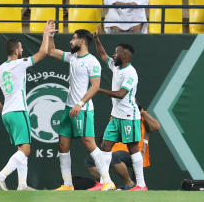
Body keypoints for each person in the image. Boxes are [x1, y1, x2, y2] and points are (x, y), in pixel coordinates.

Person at [0, 21, 54, 191]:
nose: (23, 50)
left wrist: (1, 108)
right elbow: (42, 53)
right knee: (26, 150)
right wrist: (46, 33)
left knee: (20, 148)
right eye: (21, 48)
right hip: (19, 111)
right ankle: (1, 176)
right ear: (16, 50)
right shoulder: (20, 63)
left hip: (7, 114)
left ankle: (22, 185)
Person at [47, 29, 115, 191]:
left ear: (82, 41)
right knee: (63, 145)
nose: (71, 41)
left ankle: (107, 181)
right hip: (68, 109)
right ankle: (68, 185)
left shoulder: (92, 62)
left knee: (89, 143)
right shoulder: (72, 57)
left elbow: (96, 86)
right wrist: (50, 35)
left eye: (73, 38)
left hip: (83, 109)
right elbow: (50, 51)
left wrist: (80, 103)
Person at [93, 25, 147, 191]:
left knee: (132, 148)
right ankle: (106, 182)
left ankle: (141, 185)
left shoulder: (130, 73)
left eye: (116, 52)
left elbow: (121, 94)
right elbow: (102, 55)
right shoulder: (116, 66)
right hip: (115, 116)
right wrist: (96, 39)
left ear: (124, 55)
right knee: (105, 145)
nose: (113, 55)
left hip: (129, 116)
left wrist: (98, 89)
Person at [85, 105, 160, 190]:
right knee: (91, 160)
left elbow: (156, 127)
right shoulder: (116, 114)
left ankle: (130, 184)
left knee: (114, 156)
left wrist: (142, 112)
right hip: (114, 151)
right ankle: (108, 184)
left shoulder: (139, 115)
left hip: (133, 152)